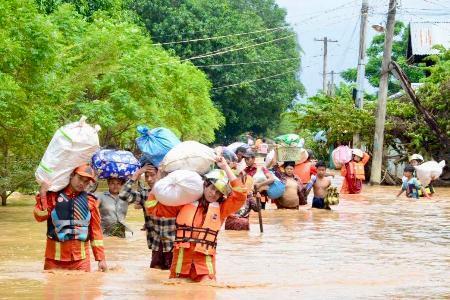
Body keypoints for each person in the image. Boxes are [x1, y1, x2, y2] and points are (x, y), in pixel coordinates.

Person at [145, 157, 246, 282]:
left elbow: (241, 195)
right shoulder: (183, 203)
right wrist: (160, 184)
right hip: (181, 266)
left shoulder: (221, 209)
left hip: (205, 267)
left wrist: (225, 167)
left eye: (218, 192)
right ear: (205, 185)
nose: (214, 194)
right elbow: (152, 208)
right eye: (212, 188)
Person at [33, 164, 107, 272]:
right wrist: (43, 193)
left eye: (86, 182)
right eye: (80, 179)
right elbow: (39, 217)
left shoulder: (91, 201)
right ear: (72, 175)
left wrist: (101, 259)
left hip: (81, 260)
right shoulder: (53, 196)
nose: (82, 183)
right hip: (54, 259)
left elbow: (96, 232)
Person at [119, 164, 175, 270]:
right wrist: (137, 174)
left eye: (152, 175)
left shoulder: (173, 192)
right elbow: (123, 194)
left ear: (161, 175)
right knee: (154, 276)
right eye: (146, 176)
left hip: (173, 244)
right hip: (156, 245)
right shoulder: (145, 194)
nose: (149, 179)